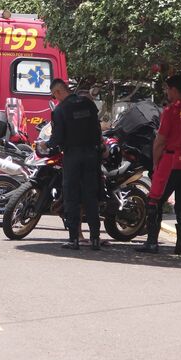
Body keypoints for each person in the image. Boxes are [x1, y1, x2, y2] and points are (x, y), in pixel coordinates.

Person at [136, 75, 181, 255]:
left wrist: (155, 164)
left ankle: (152, 242)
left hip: (171, 161)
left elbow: (160, 141)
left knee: (155, 200)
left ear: (174, 90)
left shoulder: (171, 111)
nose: (166, 93)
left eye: (167, 89)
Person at [47, 78, 103, 250]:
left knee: (72, 197)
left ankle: (74, 239)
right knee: (91, 197)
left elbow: (57, 138)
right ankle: (95, 238)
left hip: (72, 155)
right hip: (92, 154)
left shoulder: (60, 110)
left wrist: (46, 145)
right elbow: (97, 129)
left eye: (54, 95)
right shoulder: (88, 103)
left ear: (57, 92)